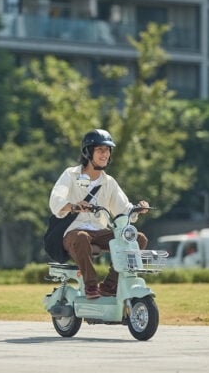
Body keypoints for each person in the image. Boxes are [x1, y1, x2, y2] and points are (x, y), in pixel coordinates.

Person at [49, 128, 149, 299]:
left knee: (137, 238)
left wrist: (138, 208)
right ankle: (90, 286)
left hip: (99, 232)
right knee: (81, 236)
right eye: (100, 150)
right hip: (74, 233)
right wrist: (73, 206)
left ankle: (110, 285)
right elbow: (55, 200)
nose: (105, 154)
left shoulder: (109, 182)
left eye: (108, 150)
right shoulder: (70, 175)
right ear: (88, 152)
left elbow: (123, 209)